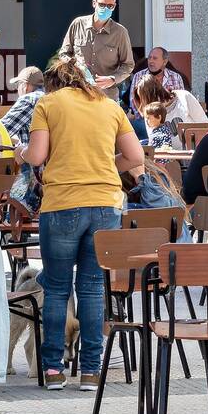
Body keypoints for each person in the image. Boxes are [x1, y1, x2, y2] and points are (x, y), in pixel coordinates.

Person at [15, 59, 144, 391]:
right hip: (106, 205)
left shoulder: (48, 103)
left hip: (62, 203)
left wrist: (21, 152)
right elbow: (135, 157)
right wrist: (104, 166)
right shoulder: (109, 105)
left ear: (54, 83)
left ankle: (54, 370)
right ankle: (90, 371)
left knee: (57, 289)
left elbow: (38, 156)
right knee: (91, 288)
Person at [58, 0, 134, 102]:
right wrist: (76, 65)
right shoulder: (78, 24)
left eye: (110, 6)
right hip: (78, 91)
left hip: (106, 96)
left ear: (114, 6)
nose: (106, 9)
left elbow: (128, 65)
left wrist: (113, 79)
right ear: (94, 3)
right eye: (102, 5)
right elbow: (63, 53)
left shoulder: (120, 32)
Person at [1, 65, 46, 145]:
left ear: (25, 85)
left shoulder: (28, 99)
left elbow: (3, 130)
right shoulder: (49, 96)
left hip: (32, 155)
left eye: (18, 84)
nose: (17, 89)